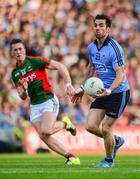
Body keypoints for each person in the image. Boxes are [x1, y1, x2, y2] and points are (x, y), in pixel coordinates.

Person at [72, 14, 130, 167]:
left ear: (108, 29)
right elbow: (91, 67)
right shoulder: (91, 47)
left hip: (118, 92)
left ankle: (109, 161)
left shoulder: (115, 48)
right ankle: (116, 140)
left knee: (105, 128)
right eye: (96, 25)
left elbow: (120, 74)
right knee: (90, 126)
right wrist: (82, 88)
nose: (97, 28)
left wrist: (109, 90)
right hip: (101, 90)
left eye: (101, 25)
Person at [10, 38, 80, 165]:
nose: (18, 52)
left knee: (46, 131)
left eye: (20, 49)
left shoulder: (36, 61)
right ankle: (71, 157)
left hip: (48, 99)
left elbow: (60, 66)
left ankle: (65, 124)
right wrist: (25, 90)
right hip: (35, 105)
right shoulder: (15, 74)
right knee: (43, 136)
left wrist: (69, 85)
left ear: (24, 50)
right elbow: (22, 96)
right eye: (15, 50)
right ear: (12, 53)